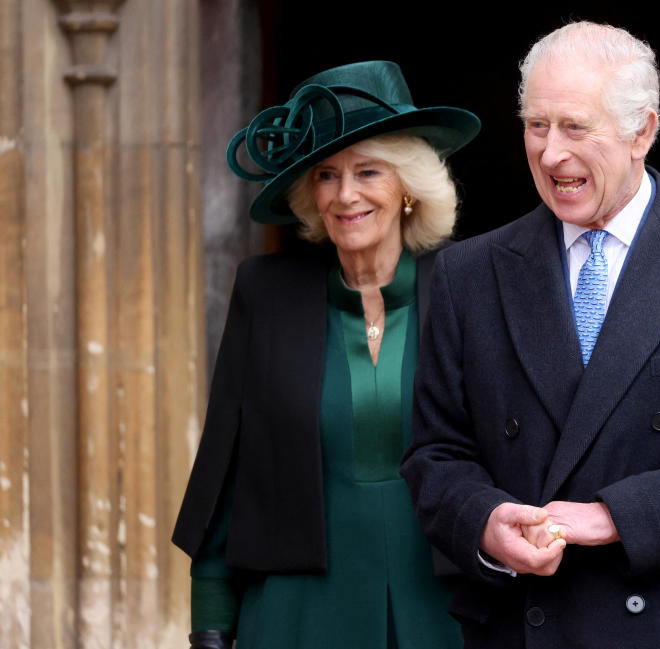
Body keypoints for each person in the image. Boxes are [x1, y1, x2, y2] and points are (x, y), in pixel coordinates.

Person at [400, 21, 660, 649]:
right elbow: (435, 455)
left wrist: (614, 516)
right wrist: (485, 523)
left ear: (642, 131)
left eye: (574, 127)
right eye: (536, 126)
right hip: (524, 621)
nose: (550, 153)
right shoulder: (469, 274)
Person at [172, 60, 480, 649]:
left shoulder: (471, 287)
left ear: (409, 186)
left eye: (369, 171)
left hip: (443, 607)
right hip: (297, 611)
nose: (346, 195)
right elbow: (224, 465)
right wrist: (210, 618)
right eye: (326, 175)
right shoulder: (266, 293)